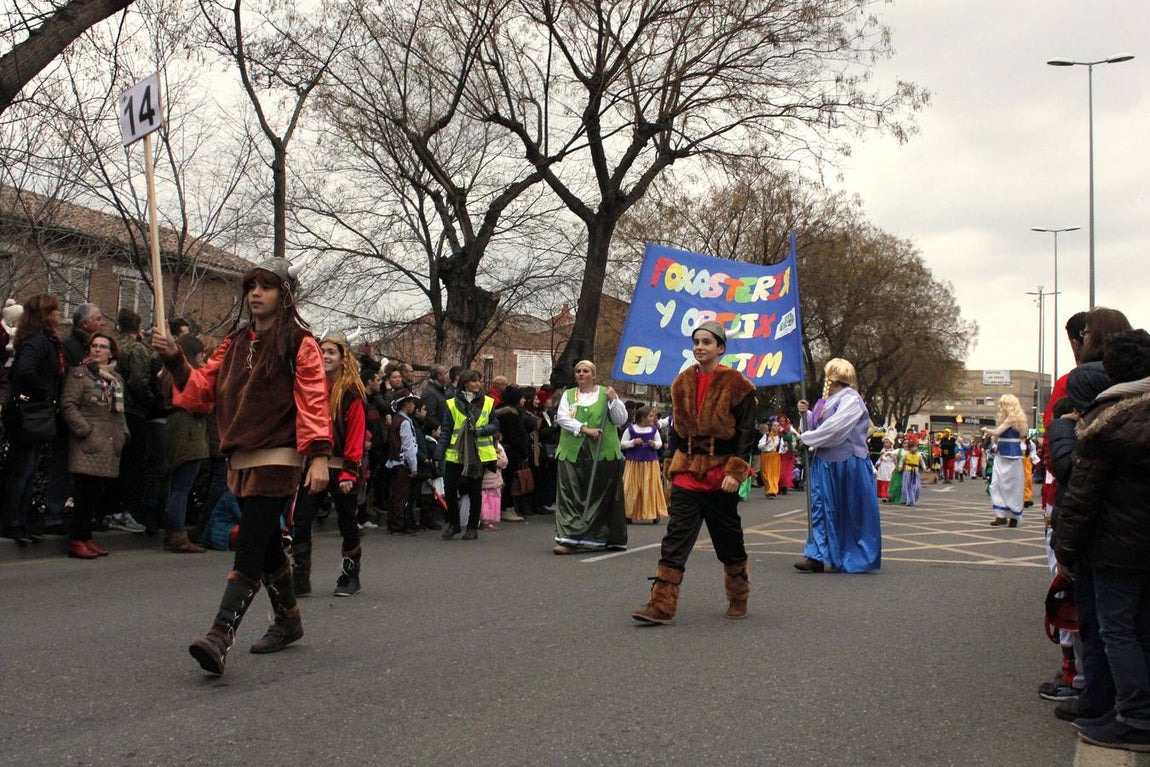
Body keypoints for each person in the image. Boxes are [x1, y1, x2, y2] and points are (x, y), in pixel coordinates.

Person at [151, 257, 332, 675]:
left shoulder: (301, 343)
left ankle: (220, 635)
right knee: (266, 543)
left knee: (249, 543)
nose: (255, 293)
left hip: (280, 456)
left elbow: (313, 401)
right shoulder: (232, 344)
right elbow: (199, 393)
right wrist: (176, 358)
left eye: (265, 287)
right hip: (242, 459)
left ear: (283, 295)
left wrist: (319, 456)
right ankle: (289, 620)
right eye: (251, 286)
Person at [1054, 329, 1150, 751]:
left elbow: (1082, 496)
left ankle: (1135, 716)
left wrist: (1066, 550)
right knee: (1142, 629)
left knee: (1117, 631)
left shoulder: (1105, 420)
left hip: (1115, 544)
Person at [631, 321, 756, 624]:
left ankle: (738, 595)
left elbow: (746, 433)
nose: (700, 347)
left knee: (728, 539)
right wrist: (671, 464)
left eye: (707, 342)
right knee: (675, 538)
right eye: (697, 341)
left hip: (719, 474)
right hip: (687, 470)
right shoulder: (680, 382)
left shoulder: (738, 384)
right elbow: (675, 430)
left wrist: (735, 472)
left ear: (720, 348)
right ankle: (661, 604)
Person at [291, 330, 367, 597]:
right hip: (315, 465)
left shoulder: (351, 392)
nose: (325, 356)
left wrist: (350, 472)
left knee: (347, 522)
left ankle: (350, 576)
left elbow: (356, 434)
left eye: (331, 352)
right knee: (301, 520)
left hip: (342, 467)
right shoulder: (312, 388)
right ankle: (299, 577)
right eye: (322, 352)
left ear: (344, 358)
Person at [794, 358, 882, 574]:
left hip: (849, 464)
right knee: (819, 509)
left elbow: (836, 430)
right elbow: (815, 427)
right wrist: (805, 415)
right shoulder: (824, 403)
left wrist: (808, 438)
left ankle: (854, 555)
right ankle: (815, 556)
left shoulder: (852, 400)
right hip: (824, 465)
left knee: (850, 511)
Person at [58, 332, 129, 559]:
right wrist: (85, 430)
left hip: (109, 441)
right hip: (88, 441)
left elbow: (119, 411)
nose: (97, 349)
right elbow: (68, 405)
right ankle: (77, 539)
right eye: (94, 346)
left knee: (97, 493)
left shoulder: (115, 379)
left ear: (111, 352)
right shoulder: (79, 374)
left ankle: (86, 537)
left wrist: (124, 434)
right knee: (84, 492)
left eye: (103, 346)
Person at [1, 294, 65, 546]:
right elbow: (25, 370)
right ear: (45, 314)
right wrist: (46, 393)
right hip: (27, 415)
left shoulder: (45, 340)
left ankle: (22, 519)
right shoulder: (36, 342)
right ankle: (13, 521)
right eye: (56, 310)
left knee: (29, 469)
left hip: (35, 414)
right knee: (23, 469)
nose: (60, 314)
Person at [552, 359, 628, 554]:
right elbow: (562, 418)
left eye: (586, 371)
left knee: (599, 494)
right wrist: (584, 429)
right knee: (571, 493)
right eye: (578, 371)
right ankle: (569, 537)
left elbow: (621, 419)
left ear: (593, 375)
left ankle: (600, 537)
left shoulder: (606, 393)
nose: (581, 374)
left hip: (602, 452)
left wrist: (614, 401)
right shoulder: (568, 395)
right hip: (572, 451)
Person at [160, 334, 209, 553]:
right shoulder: (184, 378)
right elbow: (199, 403)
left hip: (179, 427)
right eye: (200, 355)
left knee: (179, 485)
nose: (204, 359)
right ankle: (177, 534)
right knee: (182, 486)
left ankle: (174, 531)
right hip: (188, 429)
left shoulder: (167, 374)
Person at [437, 369, 498, 541]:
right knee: (449, 488)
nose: (478, 384)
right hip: (455, 453)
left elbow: (495, 425)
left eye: (478, 381)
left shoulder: (487, 402)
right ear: (465, 383)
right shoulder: (451, 403)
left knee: (474, 491)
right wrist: (439, 453)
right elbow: (446, 431)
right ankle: (454, 524)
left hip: (478, 454)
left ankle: (472, 527)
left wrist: (481, 430)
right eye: (474, 381)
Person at [985, 394, 1028, 528]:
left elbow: (997, 432)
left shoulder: (1011, 418)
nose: (1001, 407)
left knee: (1007, 486)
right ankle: (1003, 515)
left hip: (1009, 454)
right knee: (1001, 485)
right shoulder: (1014, 419)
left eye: (1003, 404)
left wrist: (985, 430)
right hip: (1005, 453)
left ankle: (1009, 515)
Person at [620, 405, 668, 524]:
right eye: (650, 416)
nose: (653, 418)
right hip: (633, 462)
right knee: (630, 487)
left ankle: (652, 512)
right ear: (643, 418)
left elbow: (659, 443)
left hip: (650, 462)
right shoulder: (631, 429)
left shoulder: (654, 430)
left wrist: (654, 444)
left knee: (650, 486)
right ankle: (628, 512)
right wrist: (632, 442)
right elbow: (622, 444)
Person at [385, 387, 420, 535]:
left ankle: (394, 521)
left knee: (396, 494)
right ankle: (398, 523)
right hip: (402, 463)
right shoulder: (404, 422)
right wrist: (413, 467)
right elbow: (408, 446)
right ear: (406, 404)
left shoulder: (397, 420)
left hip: (395, 462)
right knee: (401, 494)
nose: (414, 406)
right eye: (412, 402)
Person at [479, 433, 509, 531]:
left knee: (487, 501)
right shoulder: (492, 451)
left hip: (490, 480)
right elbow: (502, 462)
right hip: (490, 481)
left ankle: (486, 521)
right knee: (488, 502)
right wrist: (499, 455)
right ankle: (485, 521)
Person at [757, 421, 782, 498]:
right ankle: (768, 489)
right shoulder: (766, 436)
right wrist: (766, 444)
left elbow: (781, 449)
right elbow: (759, 446)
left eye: (778, 426)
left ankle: (773, 491)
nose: (776, 427)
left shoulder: (780, 437)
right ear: (771, 427)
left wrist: (785, 447)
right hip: (766, 456)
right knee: (765, 474)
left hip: (775, 456)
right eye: (774, 425)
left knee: (774, 474)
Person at [901, 439, 922, 507]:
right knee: (907, 487)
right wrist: (900, 467)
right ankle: (909, 500)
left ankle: (913, 498)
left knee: (916, 487)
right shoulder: (906, 455)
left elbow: (922, 463)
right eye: (913, 447)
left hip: (915, 472)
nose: (915, 448)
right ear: (909, 448)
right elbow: (902, 461)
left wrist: (925, 469)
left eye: (916, 447)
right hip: (908, 471)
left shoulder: (919, 455)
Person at [875, 438, 895, 502]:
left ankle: (889, 494)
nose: (885, 444)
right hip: (883, 466)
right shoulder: (883, 450)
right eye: (884, 442)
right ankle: (883, 495)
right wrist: (877, 464)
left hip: (890, 466)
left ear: (891, 444)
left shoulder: (893, 451)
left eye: (887, 442)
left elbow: (894, 459)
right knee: (883, 479)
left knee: (889, 480)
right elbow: (881, 458)